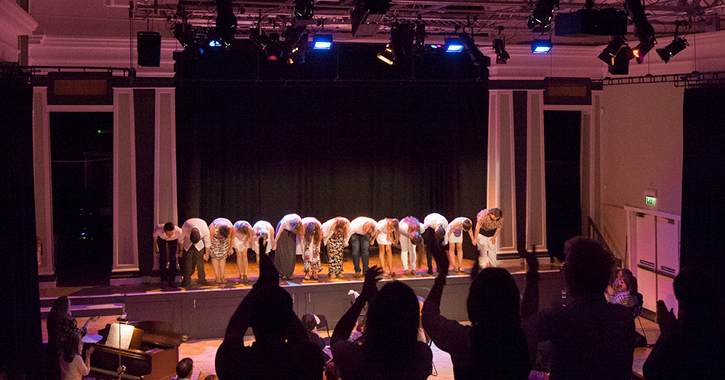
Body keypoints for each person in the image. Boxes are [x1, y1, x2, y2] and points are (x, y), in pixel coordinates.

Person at [422, 237, 538, 380]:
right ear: (514, 301)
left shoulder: (462, 340)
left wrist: (443, 273)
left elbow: (428, 315)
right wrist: (532, 275)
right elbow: (528, 314)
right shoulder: (526, 337)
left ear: (472, 303)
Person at [531, 236, 635, 380]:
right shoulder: (624, 318)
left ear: (571, 277)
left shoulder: (560, 319)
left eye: (565, 269)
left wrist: (532, 276)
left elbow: (523, 329)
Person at [215, 250, 324, 380]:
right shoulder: (307, 360)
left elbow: (234, 331)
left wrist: (260, 287)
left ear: (252, 321)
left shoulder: (237, 363)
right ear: (287, 320)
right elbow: (302, 341)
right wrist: (272, 286)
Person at [330, 267, 432, 380]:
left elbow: (338, 337)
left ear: (373, 317)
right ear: (413, 318)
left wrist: (363, 297)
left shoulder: (354, 357)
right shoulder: (421, 357)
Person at [642, 267, 725, 380]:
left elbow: (649, 371)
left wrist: (666, 333)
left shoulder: (682, 340)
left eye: (681, 304)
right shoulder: (717, 335)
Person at [46, 296, 99, 380]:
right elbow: (78, 334)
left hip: (52, 353)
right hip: (67, 353)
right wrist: (89, 321)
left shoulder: (51, 318)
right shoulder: (69, 321)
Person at [180, 218, 211, 288]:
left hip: (200, 243)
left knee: (200, 260)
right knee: (188, 261)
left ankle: (202, 279)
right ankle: (186, 281)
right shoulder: (186, 226)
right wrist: (181, 250)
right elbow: (181, 240)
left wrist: (207, 254)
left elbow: (208, 243)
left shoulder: (204, 229)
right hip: (188, 242)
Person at [153, 222, 182, 288]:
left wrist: (181, 250)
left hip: (173, 240)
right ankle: (163, 280)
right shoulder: (159, 229)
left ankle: (172, 280)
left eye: (171, 233)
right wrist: (155, 247)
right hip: (162, 239)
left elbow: (181, 242)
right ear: (164, 231)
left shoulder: (178, 231)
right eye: (168, 234)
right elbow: (155, 239)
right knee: (162, 257)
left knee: (173, 258)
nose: (170, 235)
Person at [275, 213, 304, 280]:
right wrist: (275, 241)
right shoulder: (286, 222)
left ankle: (289, 273)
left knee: (291, 253)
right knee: (283, 252)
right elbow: (279, 232)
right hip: (282, 232)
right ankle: (283, 273)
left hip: (291, 233)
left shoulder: (299, 223)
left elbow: (301, 234)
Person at [208, 218, 234, 284]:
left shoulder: (230, 227)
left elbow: (230, 238)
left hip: (224, 242)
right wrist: (208, 250)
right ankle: (217, 277)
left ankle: (222, 276)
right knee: (215, 258)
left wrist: (230, 248)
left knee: (223, 258)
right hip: (214, 241)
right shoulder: (213, 226)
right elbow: (210, 238)